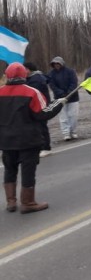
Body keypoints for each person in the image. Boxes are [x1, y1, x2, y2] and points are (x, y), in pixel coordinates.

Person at [1, 63, 65, 213]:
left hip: (6, 140)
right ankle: (28, 203)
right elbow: (42, 113)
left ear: (7, 75)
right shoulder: (32, 92)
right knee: (28, 171)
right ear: (24, 75)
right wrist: (58, 104)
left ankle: (11, 202)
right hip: (28, 139)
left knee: (9, 169)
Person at [23, 62, 53, 157]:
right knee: (37, 127)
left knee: (42, 127)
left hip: (41, 107)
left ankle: (46, 148)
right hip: (37, 106)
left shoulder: (36, 79)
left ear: (29, 69)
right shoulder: (31, 78)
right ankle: (40, 147)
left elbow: (32, 94)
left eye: (25, 69)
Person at [48, 56, 80, 141]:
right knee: (63, 117)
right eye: (55, 64)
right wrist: (61, 93)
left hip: (72, 97)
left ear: (62, 63)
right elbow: (52, 86)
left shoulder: (70, 72)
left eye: (58, 63)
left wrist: (69, 92)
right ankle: (66, 133)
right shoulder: (51, 74)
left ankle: (73, 132)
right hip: (59, 99)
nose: (56, 65)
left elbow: (74, 82)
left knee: (73, 116)